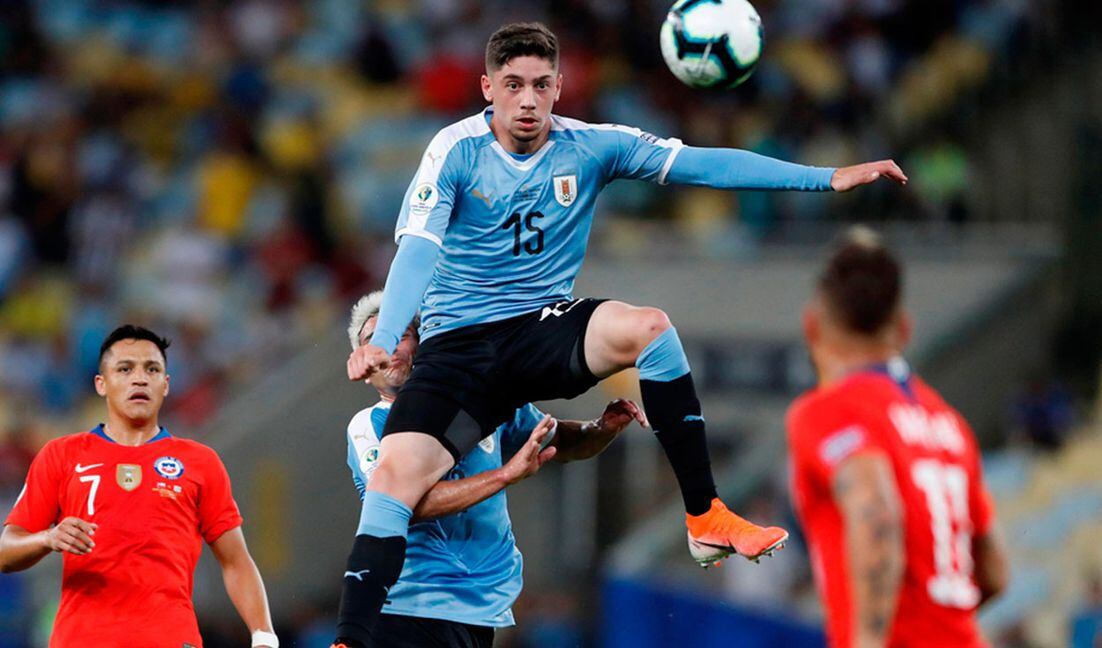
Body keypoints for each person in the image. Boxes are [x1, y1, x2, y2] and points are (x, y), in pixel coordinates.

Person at [339, 22, 908, 645]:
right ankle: (350, 638)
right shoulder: (455, 150)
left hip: (540, 330)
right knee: (395, 480)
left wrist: (823, 176)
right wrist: (386, 334)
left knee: (651, 329)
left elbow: (702, 164)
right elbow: (418, 249)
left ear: (559, 87)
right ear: (487, 88)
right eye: (512, 85)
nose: (527, 100)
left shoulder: (593, 145)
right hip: (460, 346)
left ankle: (705, 515)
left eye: (540, 84)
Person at [339, 291, 645, 648]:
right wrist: (504, 475)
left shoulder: (482, 401)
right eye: (372, 341)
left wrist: (601, 428)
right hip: (412, 606)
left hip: (478, 608)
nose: (387, 348)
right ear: (362, 365)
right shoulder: (369, 426)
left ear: (424, 343)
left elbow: (560, 440)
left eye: (399, 335)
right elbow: (401, 504)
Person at [786, 229, 1009, 647]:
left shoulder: (829, 410)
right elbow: (993, 572)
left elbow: (876, 508)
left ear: (812, 325)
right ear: (904, 329)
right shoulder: (950, 424)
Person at [0, 325, 278, 648]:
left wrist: (264, 635)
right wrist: (48, 537)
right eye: (125, 368)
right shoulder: (61, 456)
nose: (140, 378)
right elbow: (6, 551)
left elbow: (235, 560)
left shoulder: (201, 463)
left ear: (166, 385)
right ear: (101, 384)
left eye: (152, 369)